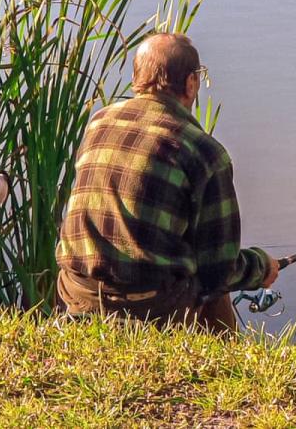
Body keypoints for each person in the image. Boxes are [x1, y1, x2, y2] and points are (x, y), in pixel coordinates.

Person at [56, 33, 279, 331]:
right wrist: (261, 267)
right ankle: (225, 365)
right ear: (190, 83)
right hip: (148, 305)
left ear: (137, 78)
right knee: (209, 282)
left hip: (76, 291)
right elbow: (220, 270)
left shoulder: (99, 123)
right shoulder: (205, 153)